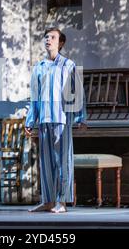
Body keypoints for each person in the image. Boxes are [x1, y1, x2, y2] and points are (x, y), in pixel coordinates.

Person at [25, 27, 87, 213]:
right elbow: (34, 96)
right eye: (46, 37)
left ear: (60, 43)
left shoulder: (69, 65)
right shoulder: (39, 67)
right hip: (44, 119)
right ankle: (48, 201)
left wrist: (80, 118)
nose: (48, 40)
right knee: (46, 163)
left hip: (61, 118)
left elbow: (78, 93)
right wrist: (30, 120)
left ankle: (62, 201)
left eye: (52, 37)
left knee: (63, 161)